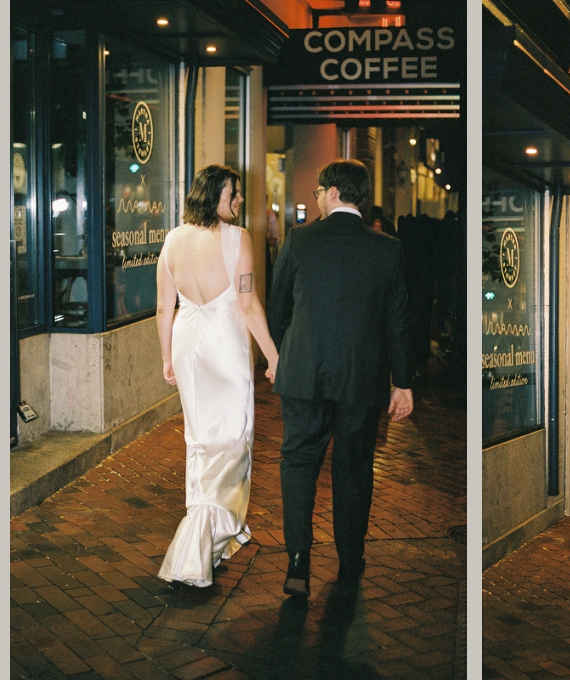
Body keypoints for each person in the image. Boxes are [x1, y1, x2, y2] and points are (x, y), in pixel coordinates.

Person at [267, 159, 413, 597]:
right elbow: (399, 323)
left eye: (317, 192)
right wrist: (402, 382)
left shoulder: (299, 241)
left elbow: (278, 309)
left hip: (303, 375)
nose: (315, 199)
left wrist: (286, 354)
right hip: (360, 380)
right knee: (353, 470)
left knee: (298, 463)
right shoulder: (388, 249)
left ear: (332, 193)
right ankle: (350, 560)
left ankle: (297, 563)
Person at [154, 165, 280, 588]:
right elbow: (246, 304)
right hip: (225, 347)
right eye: (234, 193)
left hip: (188, 346)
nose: (240, 200)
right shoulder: (237, 238)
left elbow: (162, 308)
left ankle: (213, 539)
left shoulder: (172, 239)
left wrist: (166, 358)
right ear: (215, 196)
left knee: (201, 441)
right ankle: (200, 546)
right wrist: (272, 355)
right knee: (232, 440)